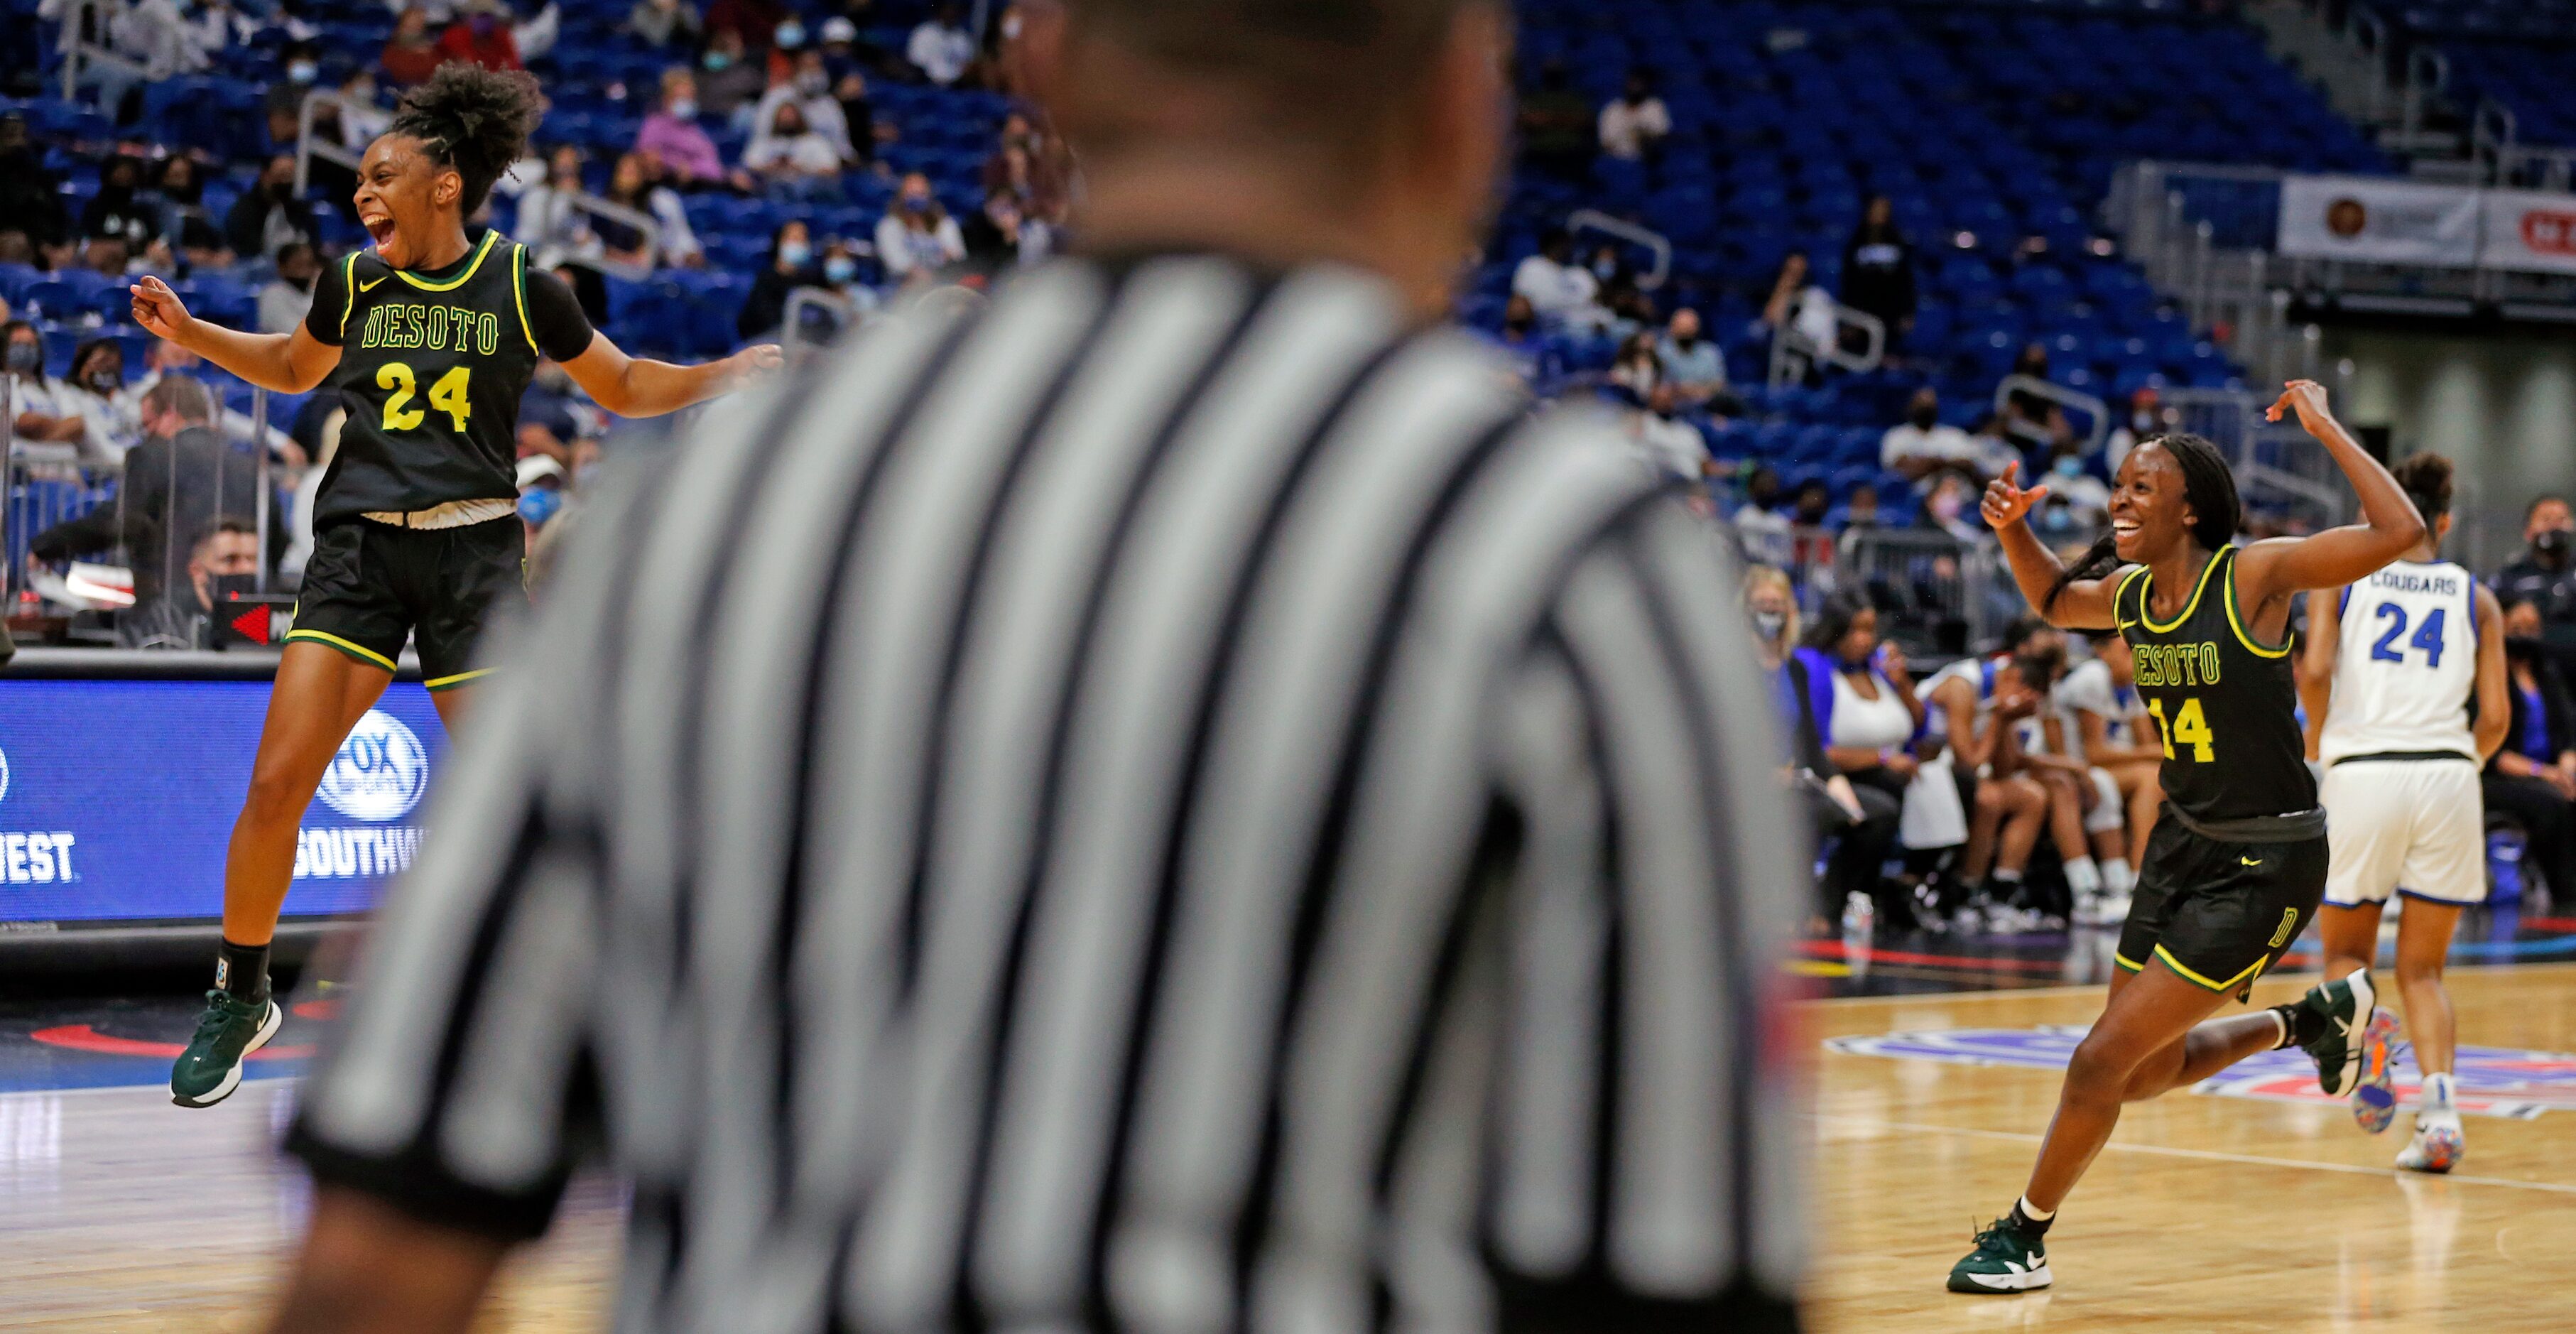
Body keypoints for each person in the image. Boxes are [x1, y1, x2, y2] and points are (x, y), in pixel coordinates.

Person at [261, 3, 1804, 1330]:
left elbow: (384, 1242)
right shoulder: (1569, 554)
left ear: (1044, 72)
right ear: (1464, 101)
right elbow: (1678, 1276)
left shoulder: (715, 513)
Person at [129, 64, 780, 1110]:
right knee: (273, 784)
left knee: (528, 801)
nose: (361, 191)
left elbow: (616, 385)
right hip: (358, 559)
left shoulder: (525, 285)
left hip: (474, 559)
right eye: (359, 180)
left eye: (383, 173)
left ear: (445, 182)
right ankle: (239, 992)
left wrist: (718, 375)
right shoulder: (352, 283)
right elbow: (297, 371)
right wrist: (192, 335)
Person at [1950, 381, 2425, 1294]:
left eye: (2140, 489)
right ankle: (2311, 1020)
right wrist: (2013, 527)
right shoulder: (2132, 598)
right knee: (2139, 1072)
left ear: (2190, 508)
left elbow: (2398, 530)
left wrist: (2325, 427)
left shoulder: (2251, 577)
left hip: (2266, 858)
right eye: (2118, 488)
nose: (2119, 502)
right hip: (2181, 844)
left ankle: (2023, 1237)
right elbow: (2054, 599)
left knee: (2098, 1060)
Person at [2299, 453, 2508, 1175]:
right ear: (2444, 522)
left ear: (2376, 512)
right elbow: (2498, 718)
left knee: (2346, 955)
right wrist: (2456, 768)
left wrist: (2321, 749)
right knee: (2425, 970)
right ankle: (2442, 1114)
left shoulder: (2343, 575)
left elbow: (2317, 671)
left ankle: (2369, 1046)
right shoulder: (2477, 596)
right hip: (2450, 775)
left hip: (2364, 770)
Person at [26, 376, 279, 610]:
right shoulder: (252, 466)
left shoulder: (154, 455)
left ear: (170, 414)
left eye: (148, 425)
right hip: (246, 611)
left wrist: (47, 546)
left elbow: (120, 523)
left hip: (170, 611)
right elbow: (278, 538)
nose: (146, 435)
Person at [1751, 566, 1899, 932]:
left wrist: (1835, 783)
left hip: (1796, 778)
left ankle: (1825, 907)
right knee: (1809, 811)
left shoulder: (1795, 668)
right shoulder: (1731, 667)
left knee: (1876, 813)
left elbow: (1811, 743)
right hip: (1747, 782)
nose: (1771, 612)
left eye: (1778, 604)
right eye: (1762, 604)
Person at [1922, 625, 2059, 928]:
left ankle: (2001, 895)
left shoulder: (1998, 694)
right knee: (1988, 798)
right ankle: (1966, 895)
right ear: (2009, 676)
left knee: (2032, 796)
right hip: (1923, 768)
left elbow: (2005, 769)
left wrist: (2007, 720)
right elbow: (1968, 762)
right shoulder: (1962, 686)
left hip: (1955, 774)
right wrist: (2000, 717)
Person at [2055, 627, 2163, 913]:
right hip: (2072, 767)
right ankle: (2134, 879)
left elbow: (2147, 744)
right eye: (2128, 651)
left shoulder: (2133, 684)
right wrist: (2155, 753)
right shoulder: (2092, 678)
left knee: (2161, 776)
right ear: (2102, 652)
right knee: (2151, 778)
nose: (2135, 658)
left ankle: (2139, 879)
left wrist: (2157, 753)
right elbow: (2095, 753)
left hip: (2104, 769)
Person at [2487, 597, 2576, 904]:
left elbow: (2567, 733)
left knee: (2568, 792)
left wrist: (2566, 767)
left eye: (2532, 628)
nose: (2525, 635)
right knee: (2551, 806)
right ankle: (2565, 895)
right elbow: (2494, 752)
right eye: (2518, 627)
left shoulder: (2547, 674)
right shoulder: (2490, 675)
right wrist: (2545, 773)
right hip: (2499, 776)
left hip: (2548, 773)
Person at [2493, 494, 2576, 666]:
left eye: (2561, 519)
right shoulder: (2511, 576)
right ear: (2528, 531)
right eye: (2546, 519)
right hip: (2534, 671)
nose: (2555, 526)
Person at [636, 67, 741, 189]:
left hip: (702, 187)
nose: (687, 102)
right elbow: (649, 159)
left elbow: (712, 166)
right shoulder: (654, 125)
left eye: (690, 98)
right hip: (666, 187)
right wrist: (676, 167)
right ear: (666, 100)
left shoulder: (696, 131)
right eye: (682, 98)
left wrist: (693, 170)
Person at [4, 321, 91, 448]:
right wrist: (59, 428)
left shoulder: (54, 386)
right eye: (18, 345)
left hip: (61, 465)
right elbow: (24, 422)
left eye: (29, 345)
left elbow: (77, 426)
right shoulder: (5, 384)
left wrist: (39, 442)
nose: (24, 350)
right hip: (22, 466)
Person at [1840, 194, 1915, 340]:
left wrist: (1908, 311)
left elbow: (1906, 280)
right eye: (1876, 209)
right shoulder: (1857, 242)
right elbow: (1849, 281)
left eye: (1883, 209)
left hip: (1891, 311)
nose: (1879, 214)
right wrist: (1850, 317)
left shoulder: (1897, 242)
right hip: (1863, 310)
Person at [735, 217, 820, 337]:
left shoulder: (811, 280)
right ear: (780, 242)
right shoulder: (766, 280)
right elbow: (760, 320)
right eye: (795, 239)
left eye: (803, 239)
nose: (800, 244)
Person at [874, 173, 967, 282]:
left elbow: (958, 256)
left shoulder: (946, 224)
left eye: (921, 194)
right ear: (901, 196)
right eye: (911, 194)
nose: (916, 199)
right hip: (901, 283)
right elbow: (896, 263)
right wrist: (922, 276)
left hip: (942, 280)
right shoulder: (888, 226)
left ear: (930, 196)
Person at [224, 153, 317, 261]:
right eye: (281, 176)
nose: (286, 182)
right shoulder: (244, 212)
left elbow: (314, 244)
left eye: (290, 177)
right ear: (265, 176)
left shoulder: (301, 209)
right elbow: (247, 253)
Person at [1509, 226, 1603, 329]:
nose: (1565, 249)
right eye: (1561, 244)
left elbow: (1596, 302)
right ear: (1551, 244)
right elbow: (1520, 302)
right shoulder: (1533, 265)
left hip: (1584, 322)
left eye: (1568, 245)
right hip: (1547, 323)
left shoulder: (1580, 274)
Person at [1655, 307, 1729, 408]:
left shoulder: (1710, 351)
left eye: (1690, 327)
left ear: (1697, 328)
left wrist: (1688, 390)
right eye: (1682, 327)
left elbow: (1718, 385)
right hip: (1675, 406)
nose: (1686, 331)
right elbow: (1664, 388)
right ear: (1672, 328)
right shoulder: (1661, 351)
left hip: (1708, 404)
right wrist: (1696, 390)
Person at [1596, 69, 1668, 162]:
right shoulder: (1612, 110)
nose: (1635, 88)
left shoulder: (1654, 107)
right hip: (1616, 160)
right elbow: (1606, 143)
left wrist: (1642, 135)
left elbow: (1660, 135)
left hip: (1646, 160)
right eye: (1632, 84)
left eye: (1639, 84)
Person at [906, 0, 975, 85]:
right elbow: (915, 62)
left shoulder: (963, 38)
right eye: (948, 9)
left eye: (954, 10)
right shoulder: (924, 32)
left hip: (956, 86)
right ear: (940, 11)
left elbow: (967, 66)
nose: (951, 13)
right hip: (926, 83)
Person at [381, 5, 443, 85]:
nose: (418, 24)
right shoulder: (392, 51)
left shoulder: (432, 47)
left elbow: (438, 68)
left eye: (421, 20)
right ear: (403, 22)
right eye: (414, 19)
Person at [627, 0, 699, 46]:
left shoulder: (686, 10)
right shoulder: (642, 11)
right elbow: (658, 40)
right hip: (649, 52)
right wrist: (669, 14)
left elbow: (696, 35)